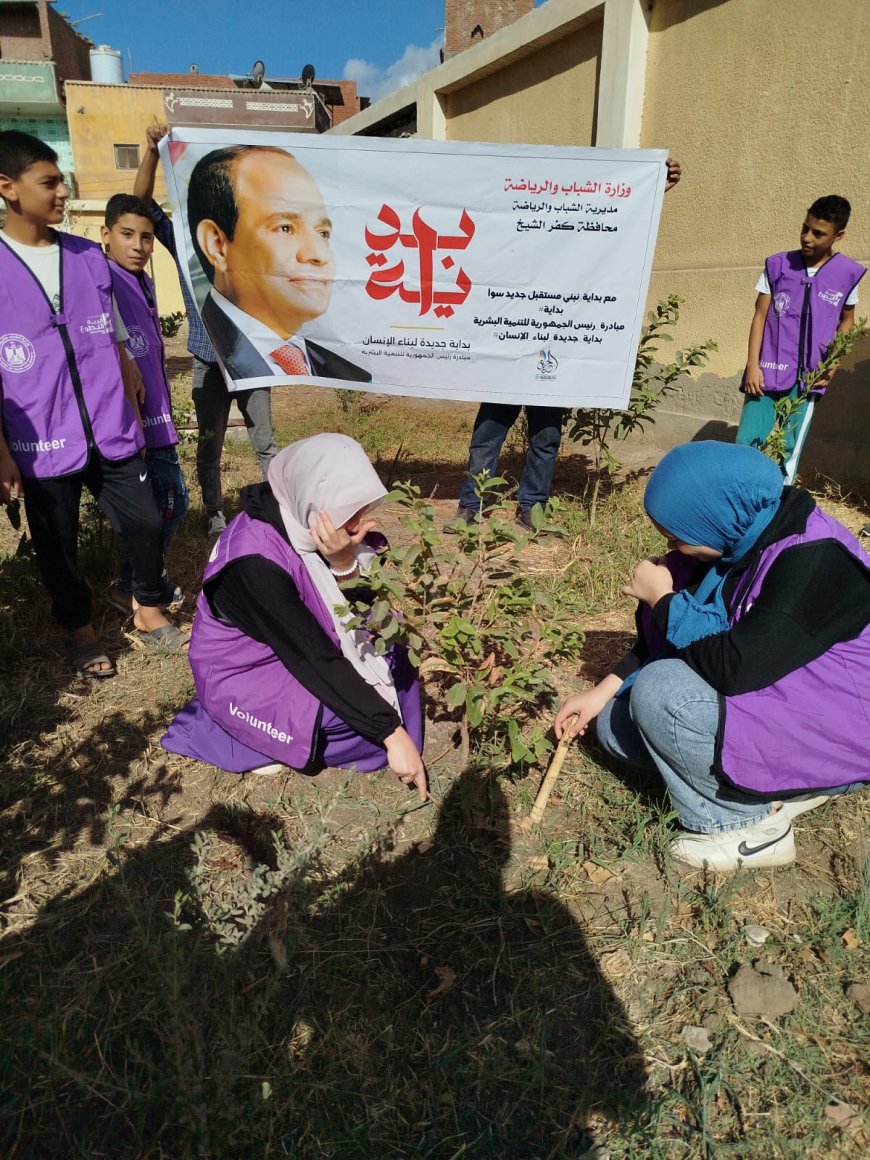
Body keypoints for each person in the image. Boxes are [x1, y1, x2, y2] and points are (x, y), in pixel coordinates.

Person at [554, 441, 869, 873]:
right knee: (613, 724)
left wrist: (663, 601)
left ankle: (752, 830)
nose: (670, 543)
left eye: (677, 534)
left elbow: (736, 667)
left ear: (714, 515)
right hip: (780, 697)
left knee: (664, 691)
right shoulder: (741, 539)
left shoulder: (815, 561)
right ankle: (765, 785)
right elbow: (680, 640)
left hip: (839, 726)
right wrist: (602, 690)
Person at [0, 130, 187, 677]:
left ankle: (147, 605)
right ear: (8, 187)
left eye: (62, 181)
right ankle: (80, 630)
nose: (62, 192)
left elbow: (113, 325)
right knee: (57, 544)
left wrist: (128, 360)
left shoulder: (86, 255)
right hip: (39, 434)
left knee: (149, 521)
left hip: (110, 422)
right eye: (50, 182)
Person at [161, 433, 427, 798]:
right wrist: (390, 733)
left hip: (290, 647)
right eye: (349, 512)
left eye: (360, 510)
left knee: (394, 648)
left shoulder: (298, 515)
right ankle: (257, 742)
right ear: (314, 499)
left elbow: (364, 611)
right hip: (247, 674)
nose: (357, 525)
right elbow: (311, 655)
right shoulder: (254, 566)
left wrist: (343, 563)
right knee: (357, 728)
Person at [450, 157, 683, 530]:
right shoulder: (511, 234)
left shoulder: (575, 235)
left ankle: (532, 506)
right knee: (488, 433)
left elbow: (616, 221)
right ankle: (470, 505)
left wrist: (652, 189)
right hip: (509, 347)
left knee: (546, 436)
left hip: (551, 350)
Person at [134, 124, 278, 538]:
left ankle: (277, 507)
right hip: (205, 357)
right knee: (209, 445)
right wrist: (152, 153)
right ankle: (214, 512)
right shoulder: (182, 238)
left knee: (264, 442)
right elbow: (140, 205)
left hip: (251, 358)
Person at [187, 143, 372, 385]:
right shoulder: (212, 350)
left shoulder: (347, 373)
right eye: (285, 228)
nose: (318, 254)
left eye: (323, 232)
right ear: (217, 245)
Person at [736, 195, 865, 483]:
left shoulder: (847, 275)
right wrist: (752, 366)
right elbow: (759, 317)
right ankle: (737, 495)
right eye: (804, 229)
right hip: (767, 371)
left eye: (818, 233)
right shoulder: (778, 265)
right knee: (747, 441)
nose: (807, 238)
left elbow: (847, 322)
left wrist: (829, 368)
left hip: (810, 377)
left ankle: (779, 502)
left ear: (838, 235)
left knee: (789, 449)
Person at [102, 192, 189, 612]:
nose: (138, 245)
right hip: (136, 420)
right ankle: (134, 582)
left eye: (147, 238)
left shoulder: (144, 280)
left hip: (158, 415)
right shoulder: (102, 278)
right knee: (171, 503)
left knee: (162, 503)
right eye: (127, 235)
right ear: (106, 235)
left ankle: (140, 578)